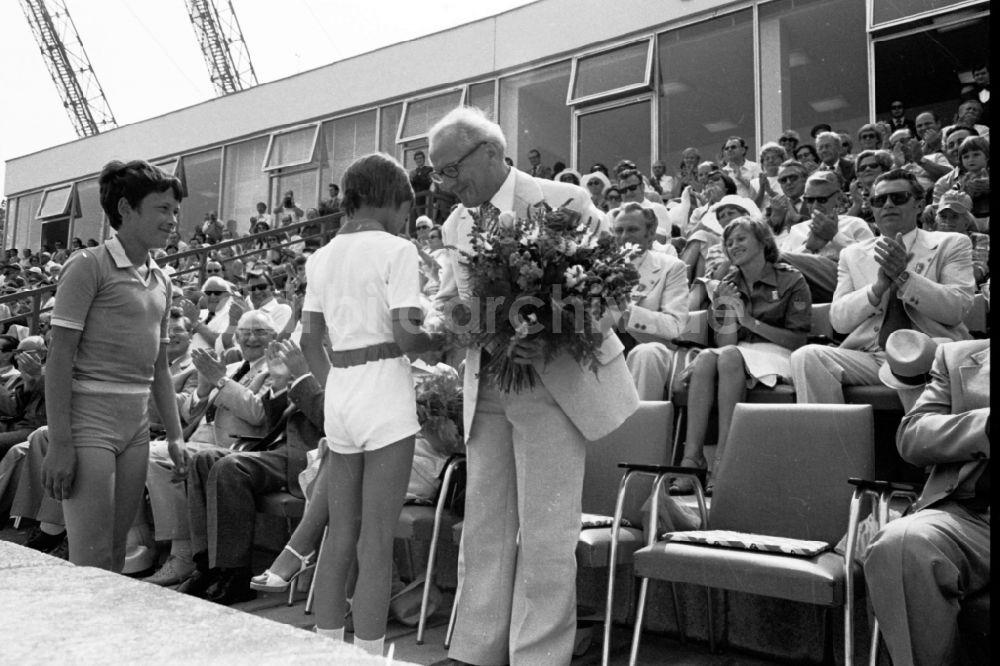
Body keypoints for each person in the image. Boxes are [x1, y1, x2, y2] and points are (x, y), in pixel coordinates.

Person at [428, 105, 638, 665]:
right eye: (437, 176)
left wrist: (554, 332)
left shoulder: (564, 202)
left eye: (451, 171)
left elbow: (611, 296)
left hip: (555, 387)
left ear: (491, 153)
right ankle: (476, 652)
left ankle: (538, 658)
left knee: (546, 536)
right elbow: (455, 301)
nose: (446, 186)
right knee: (485, 529)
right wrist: (446, 319)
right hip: (489, 385)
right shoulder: (455, 225)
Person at [300, 152, 441, 656]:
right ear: (395, 202)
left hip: (341, 394)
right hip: (384, 394)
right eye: (407, 209)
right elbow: (407, 336)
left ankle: (328, 648)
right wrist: (445, 341)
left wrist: (335, 385)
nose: (407, 220)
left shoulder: (320, 256)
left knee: (340, 533)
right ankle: (369, 653)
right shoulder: (397, 249)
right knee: (377, 539)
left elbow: (308, 342)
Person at [40, 160, 186, 572]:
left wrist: (175, 436)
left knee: (117, 559)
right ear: (125, 208)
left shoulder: (164, 279)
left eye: (175, 211)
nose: (172, 220)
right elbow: (59, 359)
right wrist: (61, 442)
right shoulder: (88, 265)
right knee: (91, 561)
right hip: (90, 424)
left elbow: (159, 367)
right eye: (162, 209)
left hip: (136, 427)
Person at [790, 169, 976, 403]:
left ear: (919, 205)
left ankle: (922, 435)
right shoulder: (852, 254)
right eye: (879, 200)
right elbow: (839, 320)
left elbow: (956, 309)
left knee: (912, 355)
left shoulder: (950, 243)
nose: (887, 204)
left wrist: (904, 277)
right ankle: (830, 439)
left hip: (930, 350)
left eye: (898, 198)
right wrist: (876, 289)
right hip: (870, 355)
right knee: (807, 357)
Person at [863, 333, 989, 666]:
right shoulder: (957, 357)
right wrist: (984, 426)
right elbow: (913, 436)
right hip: (972, 519)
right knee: (901, 543)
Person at [672, 217, 811, 494]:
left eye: (741, 239)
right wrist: (724, 308)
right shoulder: (727, 283)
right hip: (737, 355)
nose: (733, 246)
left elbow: (797, 340)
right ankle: (692, 459)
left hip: (780, 354)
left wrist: (748, 321)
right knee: (708, 358)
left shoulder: (791, 279)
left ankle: (724, 461)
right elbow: (726, 342)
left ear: (762, 242)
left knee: (728, 356)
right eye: (729, 242)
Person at [180, 340, 322, 605]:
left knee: (230, 467)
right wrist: (280, 383)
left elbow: (326, 419)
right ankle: (207, 566)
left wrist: (302, 375)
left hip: (305, 458)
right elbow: (272, 420)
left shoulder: (339, 369)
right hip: (274, 449)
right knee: (203, 459)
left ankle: (236, 575)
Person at [612, 204, 689, 400]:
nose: (624, 236)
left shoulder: (670, 267)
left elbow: (674, 326)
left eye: (632, 229)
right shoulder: (596, 267)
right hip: (606, 347)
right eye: (619, 230)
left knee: (647, 353)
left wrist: (626, 311)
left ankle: (642, 428)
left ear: (650, 234)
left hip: (647, 348)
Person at [777, 170, 874, 303]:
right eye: (810, 200)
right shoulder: (797, 230)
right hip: (802, 288)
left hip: (843, 280)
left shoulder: (854, 223)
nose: (815, 205)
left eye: (822, 200)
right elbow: (782, 266)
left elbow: (869, 262)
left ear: (838, 198)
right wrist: (808, 247)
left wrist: (834, 236)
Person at [720, 135, 762, 200]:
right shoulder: (722, 172)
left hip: (751, 207)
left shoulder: (754, 167)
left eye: (733, 147)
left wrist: (740, 178)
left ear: (743, 150)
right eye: (727, 148)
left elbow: (760, 191)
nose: (729, 150)